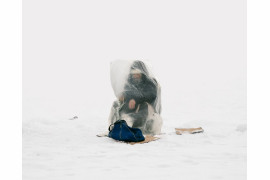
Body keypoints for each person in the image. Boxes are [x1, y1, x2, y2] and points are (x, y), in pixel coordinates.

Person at [109, 60, 162, 135]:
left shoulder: (150, 82)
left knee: (144, 106)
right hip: (133, 107)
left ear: (142, 73)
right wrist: (123, 96)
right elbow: (127, 91)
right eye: (133, 74)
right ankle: (116, 127)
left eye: (137, 73)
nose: (135, 75)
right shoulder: (130, 81)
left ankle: (139, 130)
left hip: (148, 109)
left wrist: (135, 100)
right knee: (116, 104)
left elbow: (151, 95)